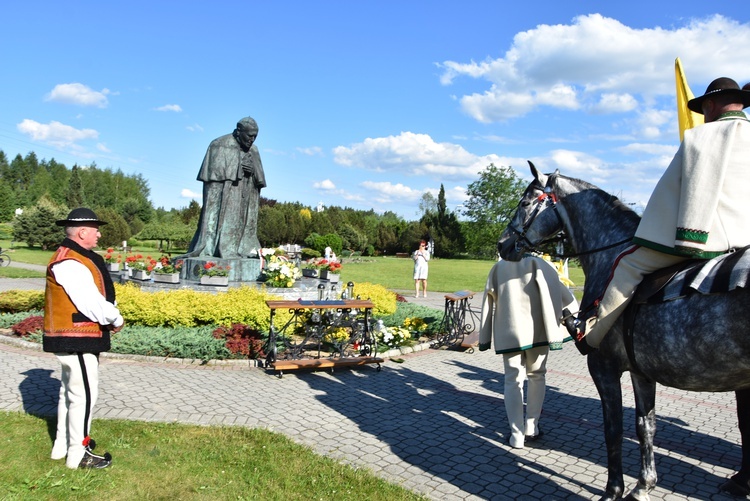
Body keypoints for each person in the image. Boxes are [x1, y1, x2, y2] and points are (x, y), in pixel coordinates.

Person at [567, 77, 750, 353]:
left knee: (627, 264)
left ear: (710, 105)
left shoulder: (702, 136)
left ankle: (591, 335)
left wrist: (688, 238)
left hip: (710, 237)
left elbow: (695, 189)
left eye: (704, 111)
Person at [44, 208, 124, 469]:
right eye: (96, 229)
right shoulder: (71, 261)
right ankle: (79, 454)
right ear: (82, 232)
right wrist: (115, 318)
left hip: (73, 337)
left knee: (70, 393)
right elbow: (90, 301)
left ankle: (63, 445)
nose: (99, 234)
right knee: (84, 395)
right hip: (77, 337)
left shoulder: (71, 257)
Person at [479, 255, 578, 449]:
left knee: (512, 379)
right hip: (538, 331)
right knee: (537, 376)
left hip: (509, 332)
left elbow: (487, 302)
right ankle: (531, 427)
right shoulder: (540, 264)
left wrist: (485, 336)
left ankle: (516, 435)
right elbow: (560, 292)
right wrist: (575, 312)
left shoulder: (498, 268)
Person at [184, 116, 267, 258]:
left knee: (243, 222)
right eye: (249, 135)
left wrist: (251, 171)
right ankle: (214, 248)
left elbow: (258, 178)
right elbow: (213, 180)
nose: (252, 140)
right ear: (238, 131)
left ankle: (243, 249)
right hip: (225, 195)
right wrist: (238, 167)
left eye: (255, 136)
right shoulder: (219, 144)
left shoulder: (254, 150)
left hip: (244, 195)